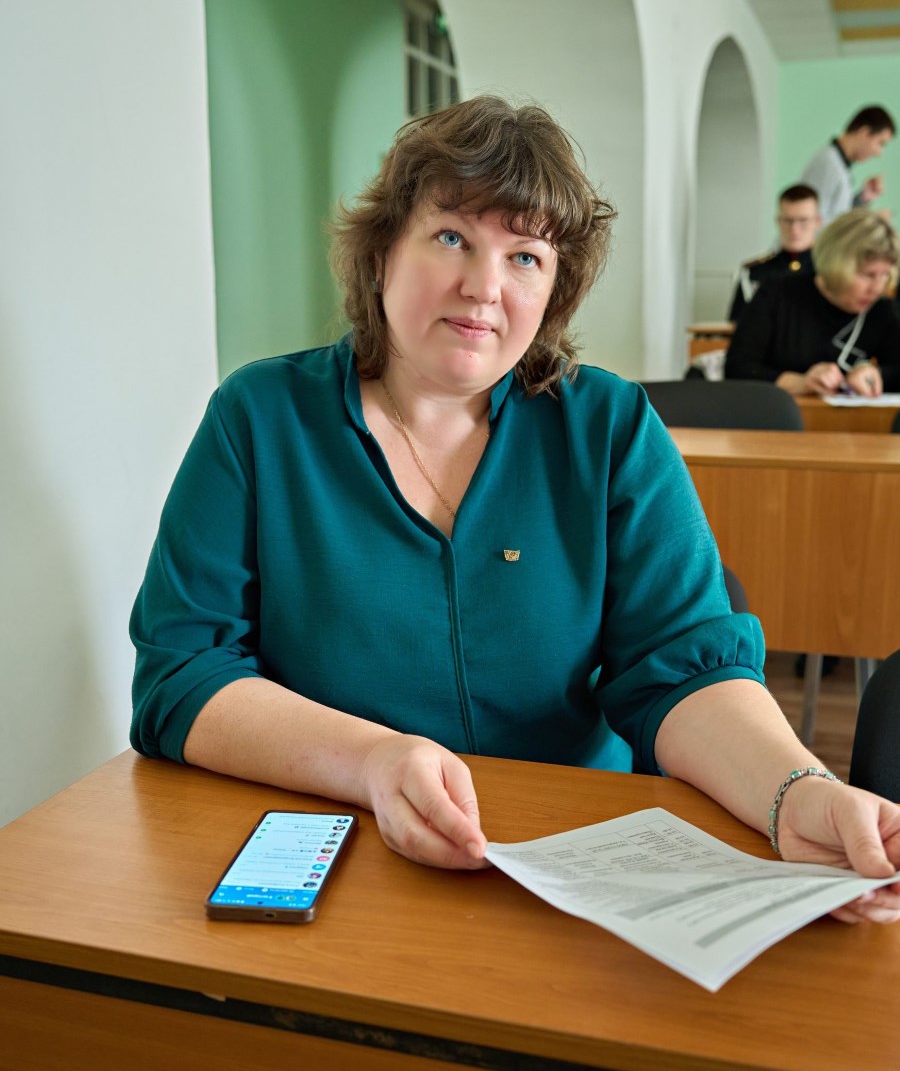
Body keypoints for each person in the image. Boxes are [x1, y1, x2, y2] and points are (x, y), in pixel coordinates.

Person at [131, 97, 900, 923]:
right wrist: (371, 761)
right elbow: (182, 674)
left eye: (526, 256)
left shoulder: (609, 427)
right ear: (381, 253)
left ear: (554, 289)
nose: (483, 287)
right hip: (341, 851)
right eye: (451, 237)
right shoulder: (258, 417)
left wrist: (796, 792)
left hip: (572, 867)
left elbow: (687, 668)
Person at [725, 209, 900, 396]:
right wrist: (799, 382)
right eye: (868, 275)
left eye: (885, 274)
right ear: (836, 265)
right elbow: (737, 368)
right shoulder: (777, 294)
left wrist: (876, 373)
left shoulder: (882, 308)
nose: (877, 288)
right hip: (779, 410)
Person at [728, 184, 821, 324]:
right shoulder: (754, 273)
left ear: (817, 222)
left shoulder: (830, 271)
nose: (794, 229)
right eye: (788, 220)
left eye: (803, 220)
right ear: (778, 221)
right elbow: (736, 326)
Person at [799, 105, 895, 225]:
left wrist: (863, 198)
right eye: (880, 143)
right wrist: (869, 221)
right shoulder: (828, 164)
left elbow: (838, 215)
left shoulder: (838, 164)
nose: (879, 153)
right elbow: (812, 225)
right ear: (864, 133)